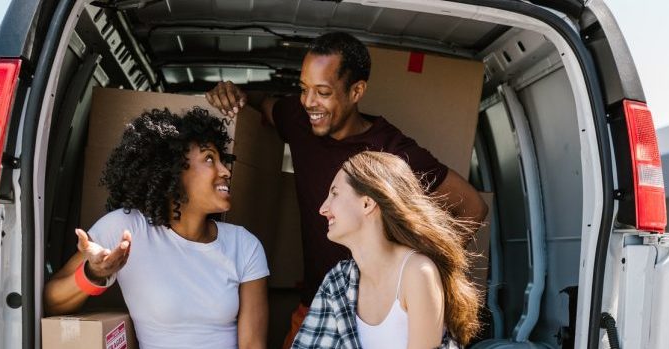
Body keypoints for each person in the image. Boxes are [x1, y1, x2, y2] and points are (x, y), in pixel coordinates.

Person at [205, 31, 488, 347]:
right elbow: (261, 103)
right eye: (304, 89)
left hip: (383, 304)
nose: (309, 102)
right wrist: (231, 93)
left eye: (323, 92)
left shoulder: (391, 152)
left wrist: (410, 273)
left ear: (356, 91)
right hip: (316, 300)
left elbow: (472, 207)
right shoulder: (298, 120)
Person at [43, 108, 269, 349]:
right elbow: (51, 302)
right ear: (173, 171)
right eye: (209, 159)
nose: (225, 171)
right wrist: (94, 273)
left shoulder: (244, 245)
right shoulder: (127, 229)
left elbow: (253, 345)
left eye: (223, 161)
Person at [292, 151, 481, 348]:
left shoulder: (416, 272)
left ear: (367, 203)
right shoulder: (338, 280)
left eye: (335, 193)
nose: (323, 208)